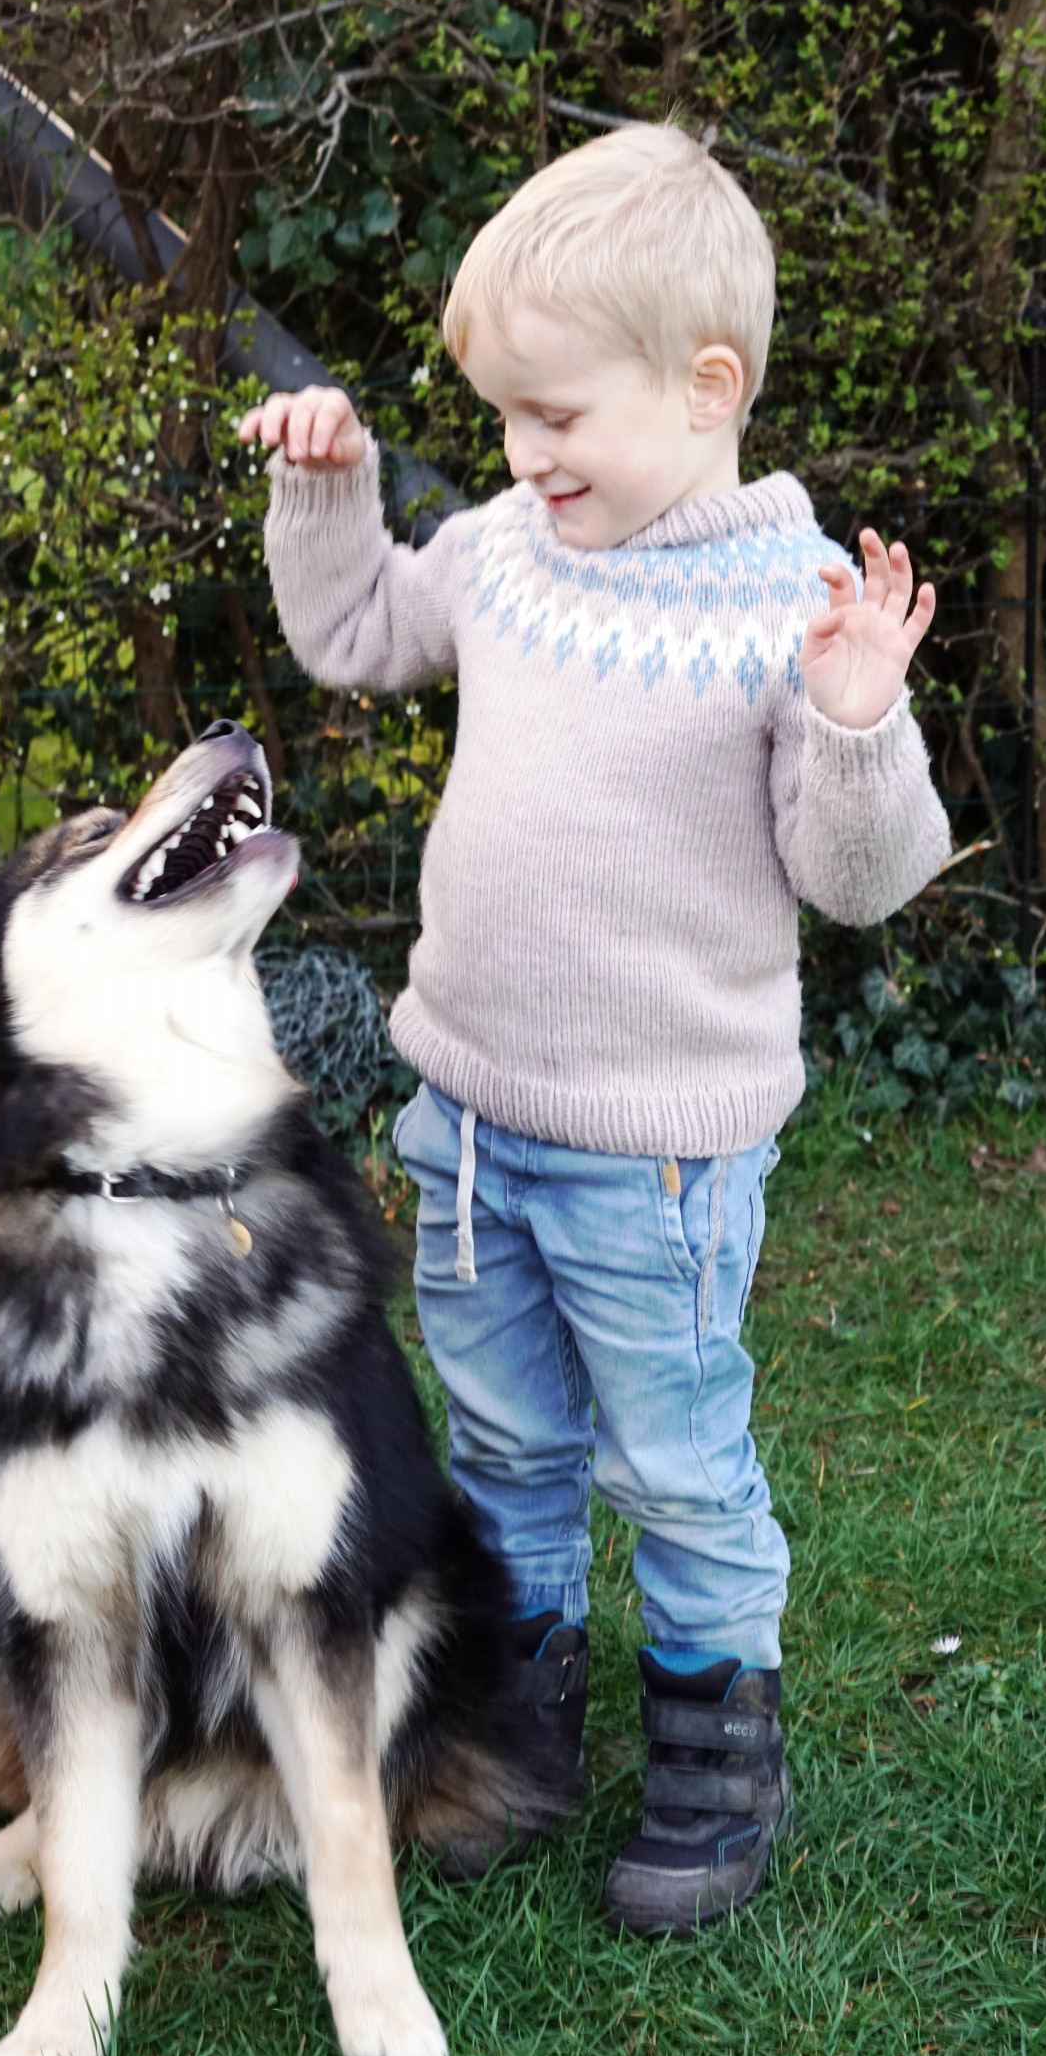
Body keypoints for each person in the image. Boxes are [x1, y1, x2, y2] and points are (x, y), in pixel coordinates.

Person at [238, 122, 949, 1936]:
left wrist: (860, 721)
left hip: (665, 1154)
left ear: (707, 388)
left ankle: (718, 1729)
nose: (524, 452)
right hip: (471, 1118)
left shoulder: (789, 612)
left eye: (557, 416)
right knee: (504, 1437)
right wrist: (331, 492)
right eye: (503, 420)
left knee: (675, 1450)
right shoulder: (502, 548)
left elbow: (855, 877)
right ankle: (517, 1702)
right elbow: (358, 630)